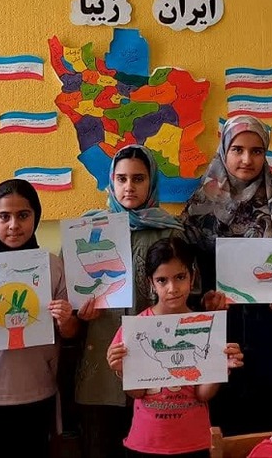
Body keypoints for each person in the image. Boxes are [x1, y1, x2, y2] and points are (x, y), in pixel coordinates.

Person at [74, 144, 191, 457]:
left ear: (151, 182)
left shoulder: (171, 234)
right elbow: (70, 299)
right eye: (121, 179)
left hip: (156, 364)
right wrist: (78, 312)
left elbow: (186, 296)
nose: (129, 187)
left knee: (150, 447)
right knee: (101, 444)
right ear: (111, 181)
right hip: (101, 361)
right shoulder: (88, 230)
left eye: (138, 179)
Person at [181, 115, 272, 434]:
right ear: (224, 150)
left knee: (262, 425)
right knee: (218, 423)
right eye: (238, 149)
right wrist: (201, 298)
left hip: (267, 328)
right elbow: (186, 269)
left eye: (257, 151)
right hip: (217, 327)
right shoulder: (200, 205)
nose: (247, 159)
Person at [0, 178, 78, 458]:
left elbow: (71, 332)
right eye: (4, 216)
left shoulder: (53, 267)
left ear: (36, 216)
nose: (14, 225)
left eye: (23, 215)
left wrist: (65, 319)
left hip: (36, 391)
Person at [106, 236, 244, 458]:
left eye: (180, 277)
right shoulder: (136, 329)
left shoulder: (205, 327)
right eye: (162, 280)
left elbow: (203, 395)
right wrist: (122, 370)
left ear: (192, 277)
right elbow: (137, 393)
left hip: (194, 442)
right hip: (146, 441)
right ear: (151, 283)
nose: (172, 288)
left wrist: (220, 367)